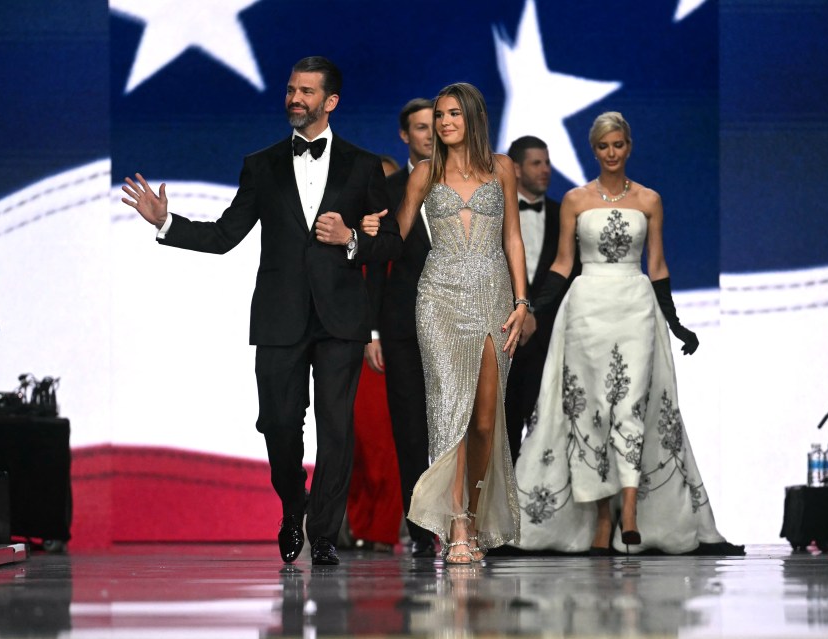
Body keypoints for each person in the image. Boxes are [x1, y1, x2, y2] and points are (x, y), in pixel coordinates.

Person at [119, 56, 402, 566]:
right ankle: (293, 505)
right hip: (279, 314)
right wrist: (167, 223)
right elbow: (226, 235)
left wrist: (351, 239)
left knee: (337, 427)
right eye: (291, 89)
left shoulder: (363, 166)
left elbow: (391, 244)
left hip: (341, 316)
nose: (295, 98)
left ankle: (323, 533)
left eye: (307, 92)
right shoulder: (261, 163)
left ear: (330, 102)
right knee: (277, 423)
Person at [514, 111, 737, 556]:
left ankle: (630, 515)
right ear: (593, 150)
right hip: (586, 310)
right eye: (603, 146)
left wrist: (675, 322)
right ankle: (601, 520)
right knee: (590, 411)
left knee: (631, 405)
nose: (611, 153)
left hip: (635, 307)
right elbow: (561, 264)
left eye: (618, 145)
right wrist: (532, 310)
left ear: (628, 147)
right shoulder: (575, 201)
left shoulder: (649, 200)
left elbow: (657, 266)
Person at [362, 83, 529, 564]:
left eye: (453, 114)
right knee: (449, 412)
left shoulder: (502, 168)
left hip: (494, 297)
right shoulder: (424, 173)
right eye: (439, 116)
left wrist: (522, 301)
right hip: (437, 299)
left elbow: (514, 238)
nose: (443, 123)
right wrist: (368, 234)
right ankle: (455, 526)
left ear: (472, 116)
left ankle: (473, 516)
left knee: (483, 420)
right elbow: (397, 238)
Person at [363, 98, 439, 558]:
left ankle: (464, 521)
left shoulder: (466, 181)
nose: (431, 133)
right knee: (410, 426)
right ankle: (420, 528)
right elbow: (372, 267)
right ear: (404, 135)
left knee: (459, 424)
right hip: (402, 322)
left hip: (460, 321)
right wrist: (372, 333)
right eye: (421, 127)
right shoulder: (385, 189)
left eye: (437, 124)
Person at [504, 136, 580, 462]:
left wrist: (535, 314)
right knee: (501, 434)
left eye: (547, 162)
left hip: (549, 340)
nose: (546, 170)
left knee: (547, 433)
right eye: (537, 163)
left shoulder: (566, 214)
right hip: (504, 336)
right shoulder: (493, 214)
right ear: (516, 169)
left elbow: (573, 276)